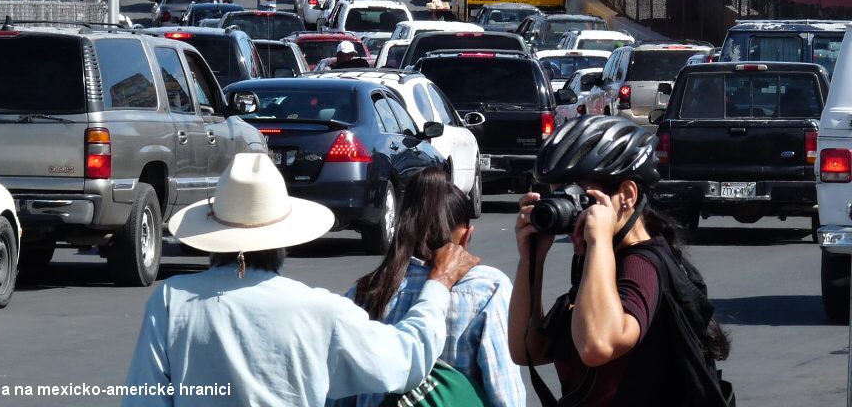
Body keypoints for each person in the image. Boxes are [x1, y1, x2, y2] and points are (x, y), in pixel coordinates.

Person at [122, 153, 479, 407]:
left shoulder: (171, 301)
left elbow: (145, 398)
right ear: (282, 237)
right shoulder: (320, 310)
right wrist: (438, 284)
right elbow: (408, 360)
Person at [508, 115, 731, 407]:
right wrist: (531, 260)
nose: (573, 214)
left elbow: (596, 345)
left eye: (581, 199)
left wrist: (599, 240)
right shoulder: (600, 267)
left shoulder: (643, 266)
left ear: (626, 195)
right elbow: (528, 350)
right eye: (560, 196)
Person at [329, 168, 526, 407]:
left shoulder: (365, 292)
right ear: (465, 237)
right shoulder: (487, 289)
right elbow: (505, 394)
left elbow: (339, 397)